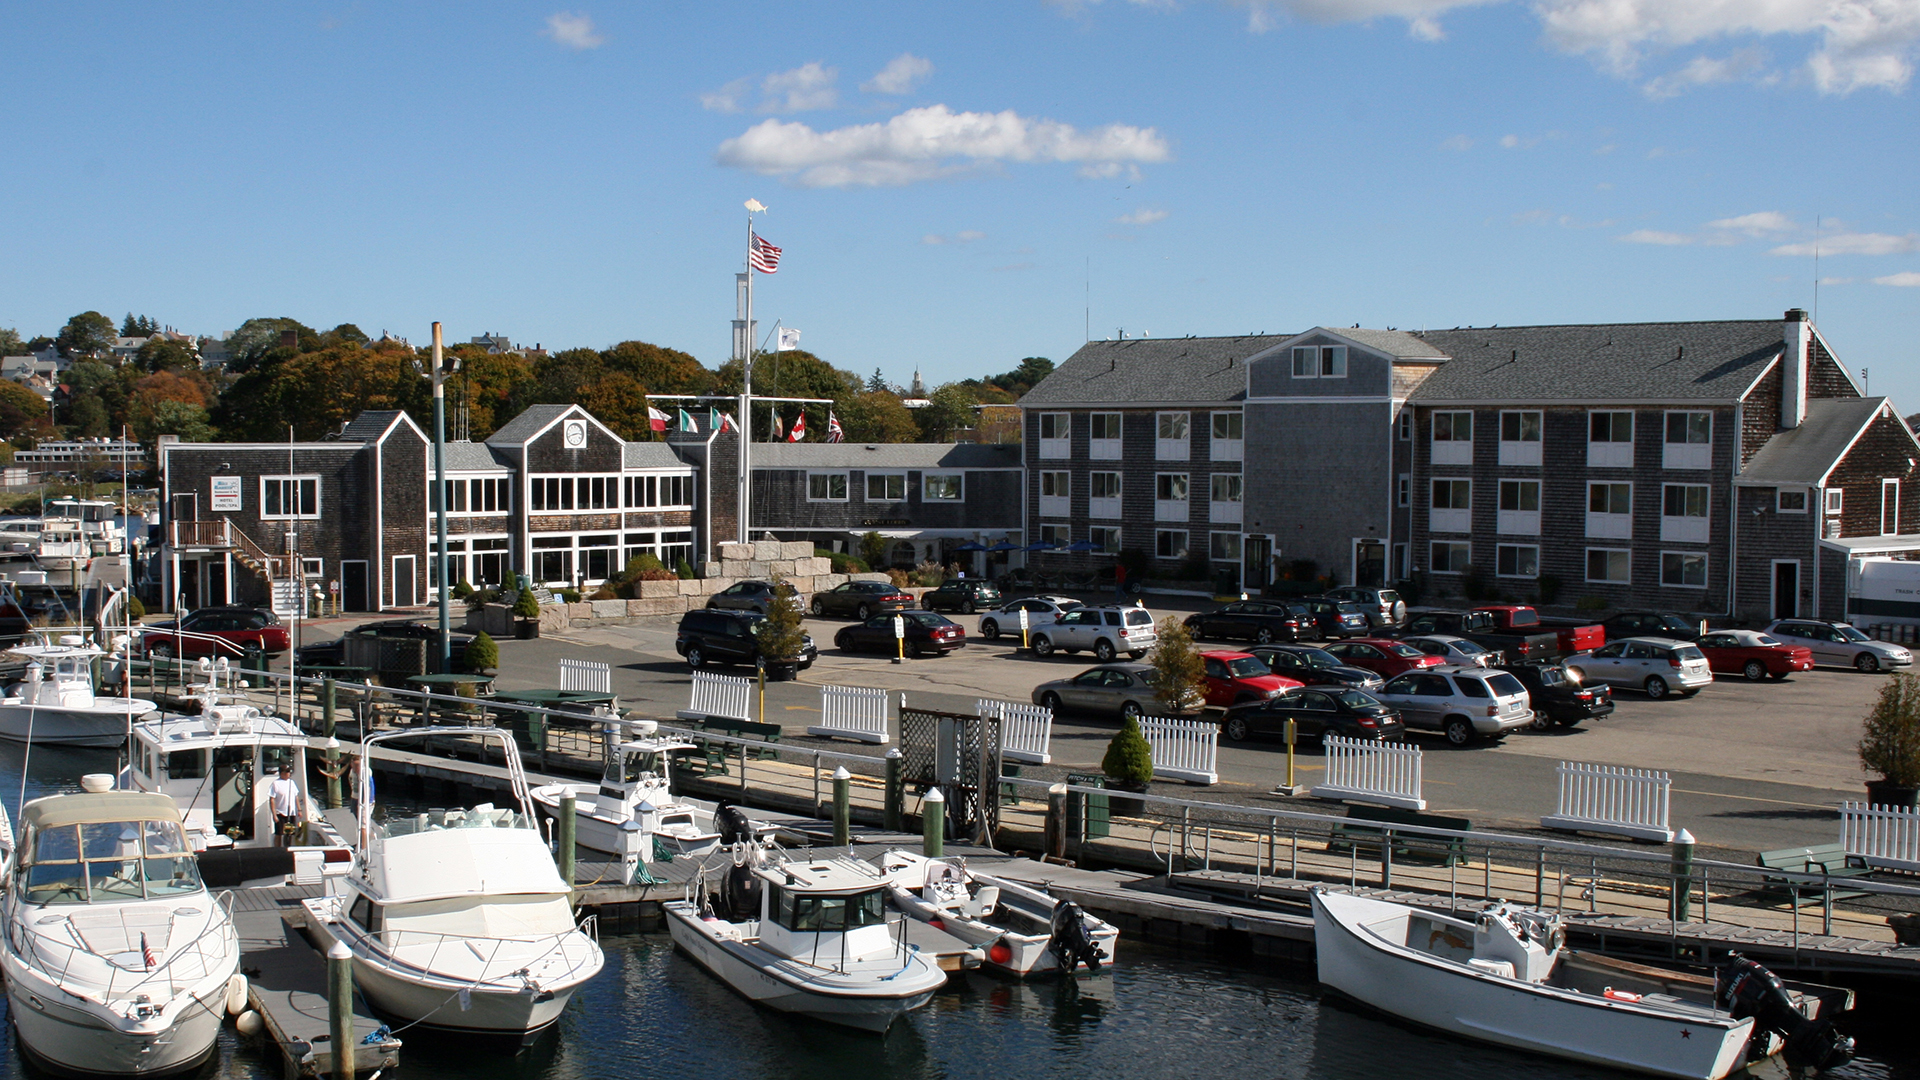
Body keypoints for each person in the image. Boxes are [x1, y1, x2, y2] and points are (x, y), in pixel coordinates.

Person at [267, 764, 302, 847]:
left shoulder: (292, 782)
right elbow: (272, 799)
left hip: (291, 812)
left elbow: (296, 796)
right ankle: (277, 849)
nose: (289, 773)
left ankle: (288, 847)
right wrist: (274, 814)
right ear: (281, 773)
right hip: (280, 812)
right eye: (287, 772)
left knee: (290, 832)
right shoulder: (275, 784)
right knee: (279, 833)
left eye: (289, 772)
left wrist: (299, 810)